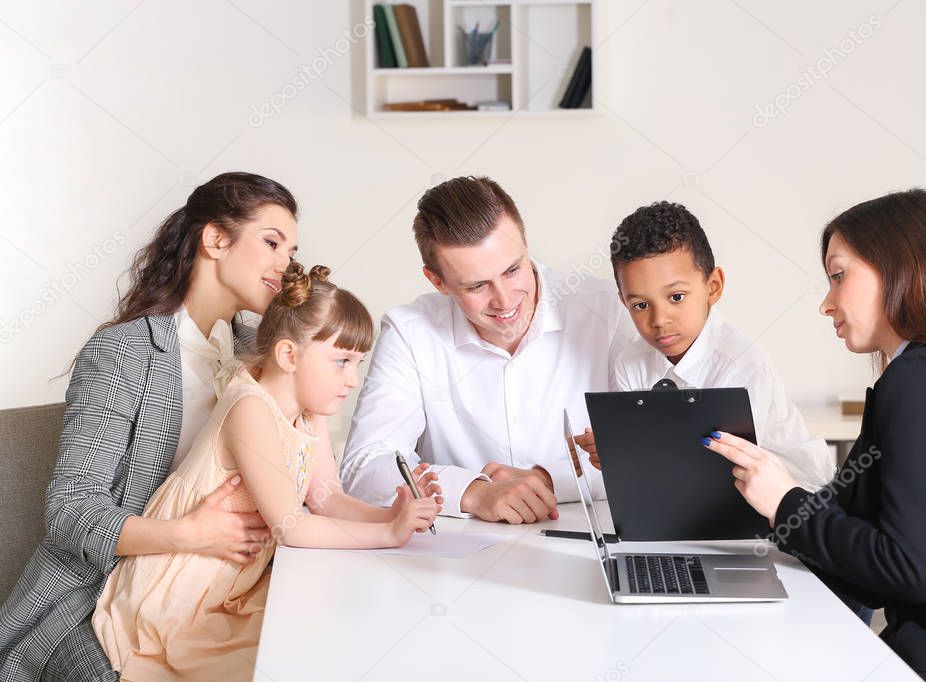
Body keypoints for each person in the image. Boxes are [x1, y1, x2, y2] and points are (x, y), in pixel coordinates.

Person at [704, 189, 926, 681]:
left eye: (838, 275)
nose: (826, 303)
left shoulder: (925, 382)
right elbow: (869, 557)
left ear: (899, 266)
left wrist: (785, 502)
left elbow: (903, 571)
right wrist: (775, 497)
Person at [0, 172, 301, 682]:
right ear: (215, 239)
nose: (284, 265)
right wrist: (189, 534)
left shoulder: (262, 357)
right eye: (272, 243)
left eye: (291, 251)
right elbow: (70, 512)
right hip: (99, 601)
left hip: (223, 592)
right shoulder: (124, 353)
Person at [91, 262, 441, 681]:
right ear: (289, 355)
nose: (352, 381)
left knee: (343, 631)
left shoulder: (308, 415)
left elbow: (327, 498)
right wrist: (387, 534)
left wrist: (393, 515)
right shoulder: (250, 407)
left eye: (358, 364)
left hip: (232, 584)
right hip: (181, 593)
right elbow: (291, 526)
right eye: (342, 361)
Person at [341, 176, 635, 524]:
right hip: (455, 556)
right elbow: (364, 465)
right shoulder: (410, 332)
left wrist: (547, 480)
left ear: (526, 245)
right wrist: (473, 491)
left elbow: (647, 448)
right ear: (437, 281)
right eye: (477, 285)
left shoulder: (609, 309)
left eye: (513, 270)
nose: (505, 300)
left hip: (589, 538)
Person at [579, 201, 834, 490]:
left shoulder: (742, 367)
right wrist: (617, 452)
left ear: (713, 287)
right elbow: (653, 471)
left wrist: (637, 452)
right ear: (624, 302)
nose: (660, 319)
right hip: (703, 499)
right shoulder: (631, 362)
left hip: (801, 496)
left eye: (676, 297)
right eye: (640, 304)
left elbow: (721, 468)